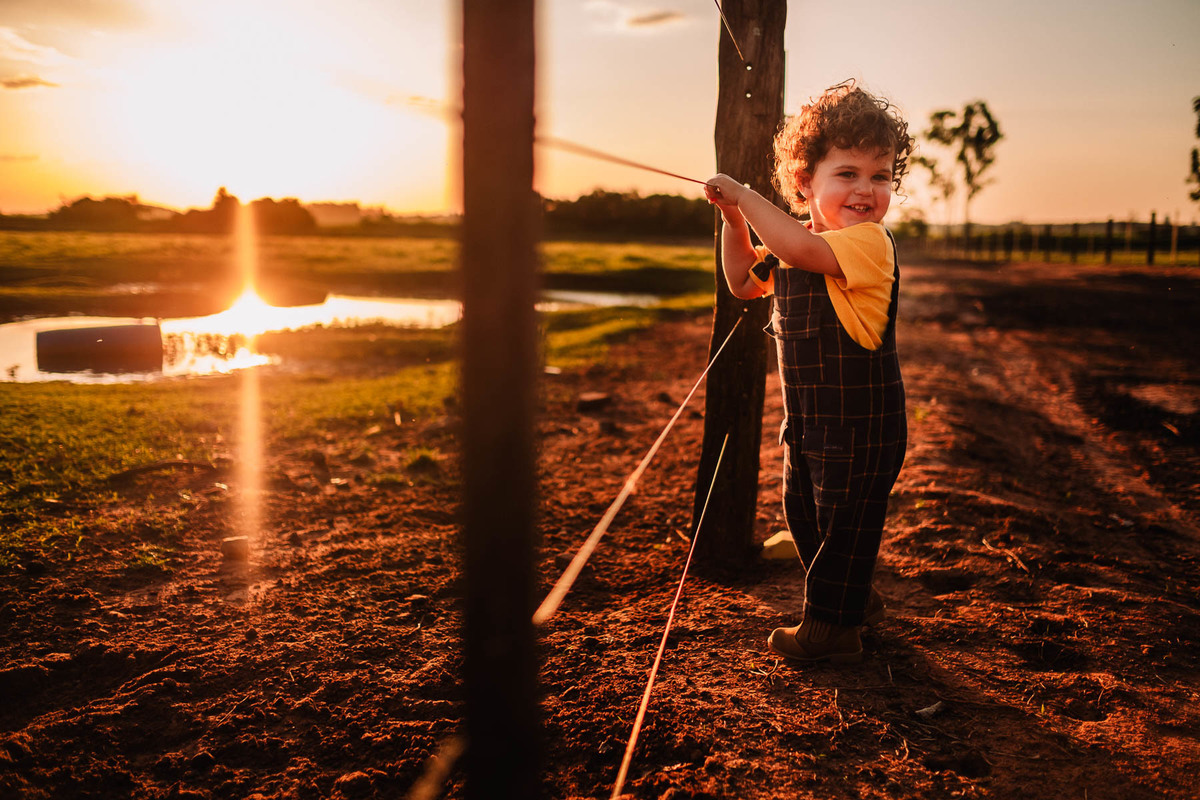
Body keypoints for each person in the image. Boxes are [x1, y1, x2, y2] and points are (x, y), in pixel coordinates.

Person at [705, 80, 913, 664]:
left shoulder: (866, 244)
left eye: (881, 175)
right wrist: (732, 220)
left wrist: (745, 194)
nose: (866, 190)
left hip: (863, 428)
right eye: (847, 174)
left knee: (845, 526)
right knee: (805, 516)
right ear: (805, 183)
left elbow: (798, 251)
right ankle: (856, 601)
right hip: (813, 428)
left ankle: (832, 631)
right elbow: (744, 282)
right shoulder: (800, 242)